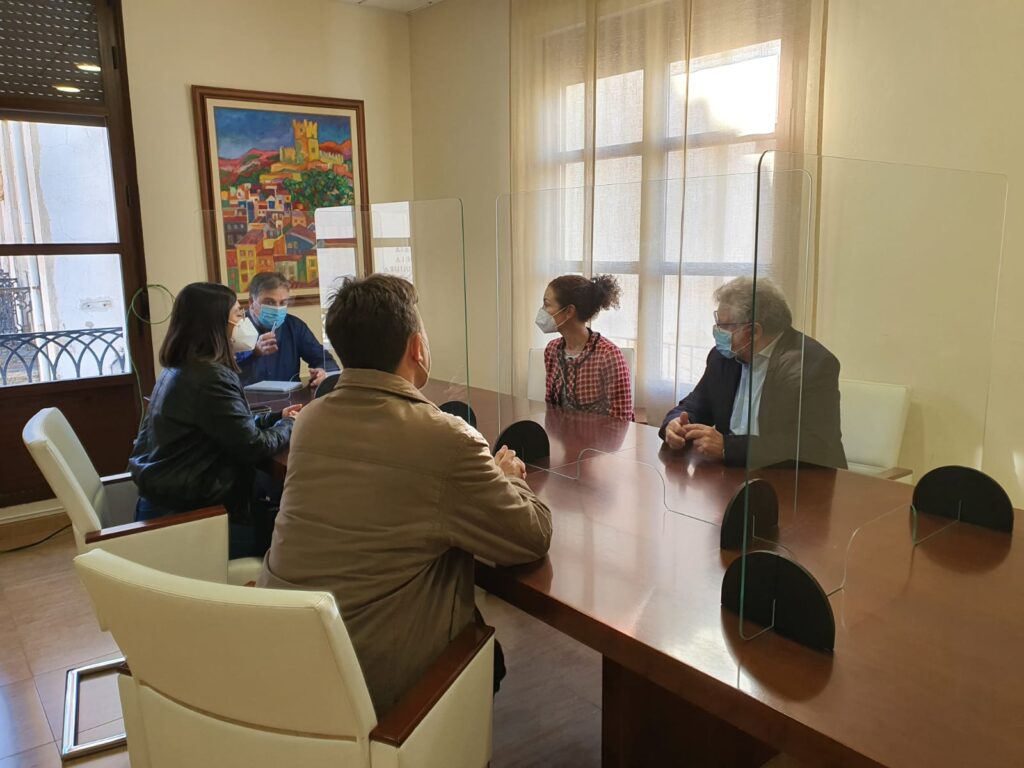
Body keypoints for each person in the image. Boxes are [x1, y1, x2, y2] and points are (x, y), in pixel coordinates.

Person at [258, 274, 552, 716]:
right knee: (489, 658)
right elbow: (531, 535)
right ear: (417, 347)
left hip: (287, 650)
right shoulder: (444, 438)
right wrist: (508, 476)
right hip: (372, 683)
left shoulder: (312, 419)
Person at [129, 282, 302, 557]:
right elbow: (253, 446)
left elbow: (227, 426)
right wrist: (290, 424)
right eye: (238, 315)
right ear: (215, 324)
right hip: (192, 518)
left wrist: (275, 418)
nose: (243, 321)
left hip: (170, 502)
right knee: (298, 535)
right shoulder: (210, 377)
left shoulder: (181, 367)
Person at [659, 276, 846, 469]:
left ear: (754, 332)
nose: (717, 331)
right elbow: (697, 403)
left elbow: (813, 444)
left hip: (799, 477)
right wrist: (675, 423)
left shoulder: (813, 364)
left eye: (724, 326)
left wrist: (729, 448)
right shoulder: (723, 356)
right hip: (731, 473)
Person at [537, 274, 634, 421]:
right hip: (560, 434)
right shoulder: (552, 350)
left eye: (547, 304)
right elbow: (551, 410)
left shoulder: (608, 355)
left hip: (601, 436)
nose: (542, 310)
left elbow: (621, 421)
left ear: (569, 311)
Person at [236, 271, 339, 388]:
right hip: (247, 398)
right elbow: (223, 369)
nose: (277, 308)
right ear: (251, 302)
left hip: (291, 397)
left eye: (283, 303)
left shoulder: (294, 326)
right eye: (269, 302)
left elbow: (326, 360)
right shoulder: (236, 327)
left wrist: (323, 373)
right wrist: (253, 352)